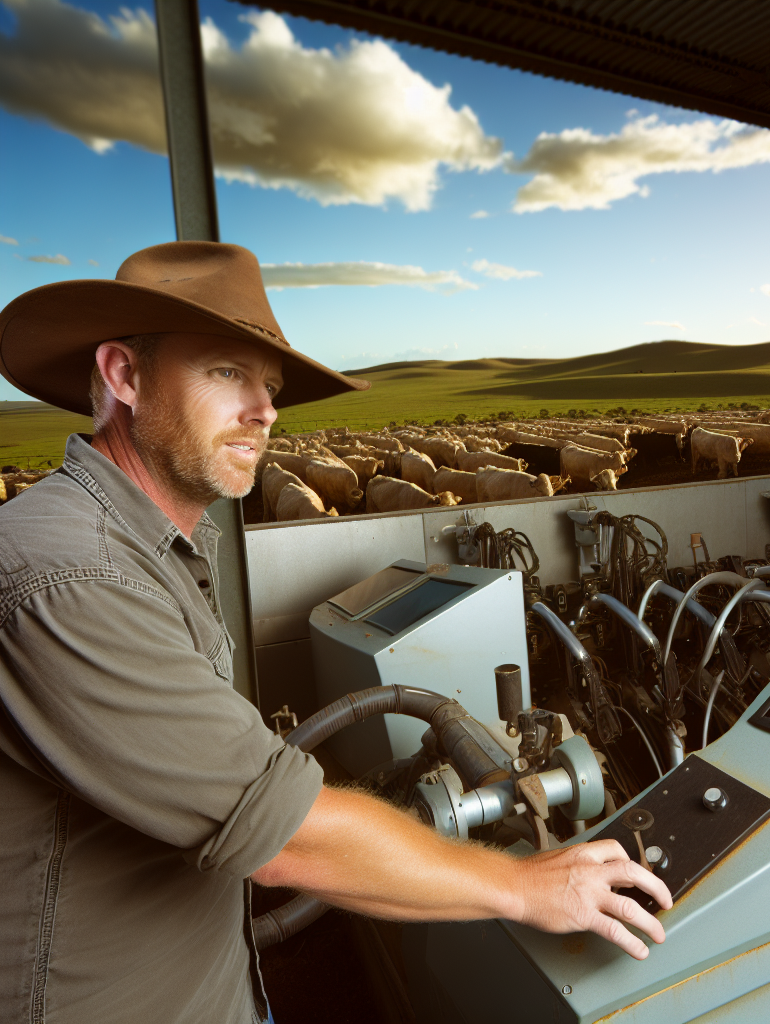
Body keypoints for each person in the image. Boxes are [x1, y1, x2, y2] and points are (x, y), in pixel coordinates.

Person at [0, 242, 671, 1024]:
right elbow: (285, 837)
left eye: (270, 385)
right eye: (226, 372)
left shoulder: (151, 551)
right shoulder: (73, 572)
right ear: (124, 376)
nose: (265, 410)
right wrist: (526, 884)